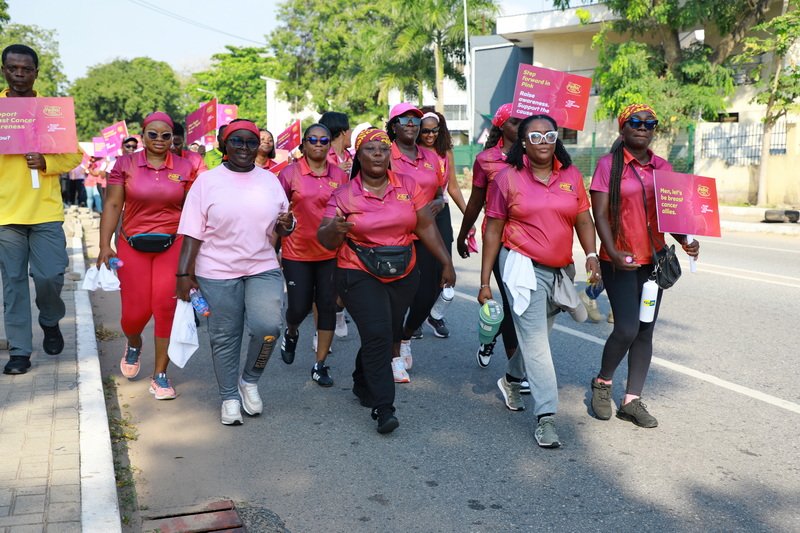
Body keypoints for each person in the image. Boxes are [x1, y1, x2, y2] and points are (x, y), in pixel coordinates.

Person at [318, 128, 455, 434]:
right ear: (359, 156)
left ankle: (361, 377)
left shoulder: (407, 186)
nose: (378, 153)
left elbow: (425, 227)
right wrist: (335, 229)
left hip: (403, 272)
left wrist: (446, 262)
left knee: (381, 331)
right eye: (370, 148)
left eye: (383, 148)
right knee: (379, 332)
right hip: (357, 272)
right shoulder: (343, 195)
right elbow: (325, 239)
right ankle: (384, 407)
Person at [479, 114, 600, 448]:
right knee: (537, 343)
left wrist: (591, 254)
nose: (543, 141)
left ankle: (511, 380)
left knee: (537, 339)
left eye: (550, 135)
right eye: (535, 136)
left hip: (560, 269)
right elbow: (492, 230)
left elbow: (583, 219)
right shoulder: (508, 178)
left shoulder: (571, 175)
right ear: (523, 143)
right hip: (520, 266)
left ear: (557, 138)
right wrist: (485, 281)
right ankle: (546, 417)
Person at [176, 119, 294, 425]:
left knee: (269, 328)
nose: (244, 148)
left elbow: (283, 223)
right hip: (216, 270)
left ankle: (249, 380)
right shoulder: (206, 182)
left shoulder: (270, 180)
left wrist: (287, 226)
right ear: (223, 145)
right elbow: (191, 232)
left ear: (259, 147)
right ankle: (229, 396)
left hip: (262, 265)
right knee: (225, 336)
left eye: (251, 142)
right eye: (237, 141)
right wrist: (183, 275)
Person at [589, 104, 700, 428]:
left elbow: (672, 214)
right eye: (635, 122)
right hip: (619, 260)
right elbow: (599, 215)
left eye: (649, 123)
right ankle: (603, 382)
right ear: (623, 129)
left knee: (645, 330)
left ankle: (632, 400)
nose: (643, 127)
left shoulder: (662, 167)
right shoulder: (608, 165)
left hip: (653, 261)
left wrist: (685, 240)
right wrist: (610, 250)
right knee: (626, 328)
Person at [97, 111, 195, 399]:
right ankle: (134, 342)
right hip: (131, 246)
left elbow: (193, 212)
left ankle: (160, 375)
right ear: (143, 136)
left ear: (173, 138)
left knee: (165, 307)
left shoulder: (185, 167)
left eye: (166, 136)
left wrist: (194, 259)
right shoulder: (124, 164)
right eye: (153, 134)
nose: (160, 140)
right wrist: (105, 245)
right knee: (133, 314)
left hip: (172, 245)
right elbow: (113, 206)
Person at [0, 44, 83, 375]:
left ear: (36, 72)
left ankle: (50, 320)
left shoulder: (51, 111)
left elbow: (74, 155)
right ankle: (20, 350)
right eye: (12, 68)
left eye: (26, 69)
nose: (19, 73)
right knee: (13, 283)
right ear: (4, 70)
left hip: (45, 212)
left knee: (50, 276)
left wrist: (48, 161)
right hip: (6, 215)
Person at [278, 124, 348, 386]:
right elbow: (276, 211)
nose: (318, 144)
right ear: (304, 144)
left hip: (331, 253)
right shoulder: (289, 174)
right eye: (312, 140)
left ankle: (320, 365)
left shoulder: (340, 177)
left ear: (330, 144)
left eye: (323, 140)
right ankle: (292, 331)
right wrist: (277, 238)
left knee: (327, 305)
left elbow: (348, 209)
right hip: (297, 252)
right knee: (299, 307)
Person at [456, 103, 522, 370]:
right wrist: (462, 235)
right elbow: (474, 202)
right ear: (501, 126)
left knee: (521, 306)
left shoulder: (537, 157)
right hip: (499, 240)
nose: (521, 127)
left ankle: (489, 333)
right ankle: (515, 372)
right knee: (510, 301)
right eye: (516, 122)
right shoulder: (486, 160)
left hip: (530, 241)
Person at [387, 103, 448, 380]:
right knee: (398, 298)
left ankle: (407, 334)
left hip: (425, 233)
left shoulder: (430, 157)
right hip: (393, 237)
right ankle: (393, 355)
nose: (412, 123)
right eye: (405, 119)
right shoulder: (385, 154)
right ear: (394, 125)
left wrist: (438, 201)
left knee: (427, 294)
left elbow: (438, 191)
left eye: (415, 119)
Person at [415, 109, 468, 338]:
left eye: (433, 130)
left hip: (441, 211)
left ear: (440, 130)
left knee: (443, 263)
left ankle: (434, 315)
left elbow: (453, 186)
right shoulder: (413, 152)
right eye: (424, 131)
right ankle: (415, 316)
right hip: (419, 212)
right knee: (419, 267)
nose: (429, 135)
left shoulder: (445, 151)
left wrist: (469, 216)